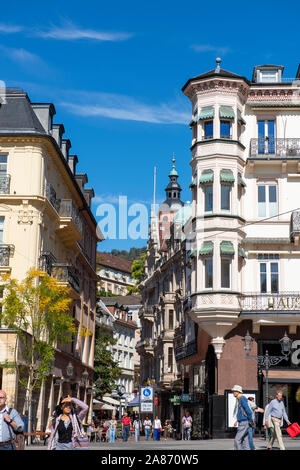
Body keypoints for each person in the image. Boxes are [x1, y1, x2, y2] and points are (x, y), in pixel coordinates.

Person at [232, 385, 253, 450]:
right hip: (244, 422)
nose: (233, 393)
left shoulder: (242, 399)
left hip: (244, 422)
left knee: (237, 440)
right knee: (245, 440)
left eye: (234, 391)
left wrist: (250, 420)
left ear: (238, 392)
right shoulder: (240, 399)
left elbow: (248, 411)